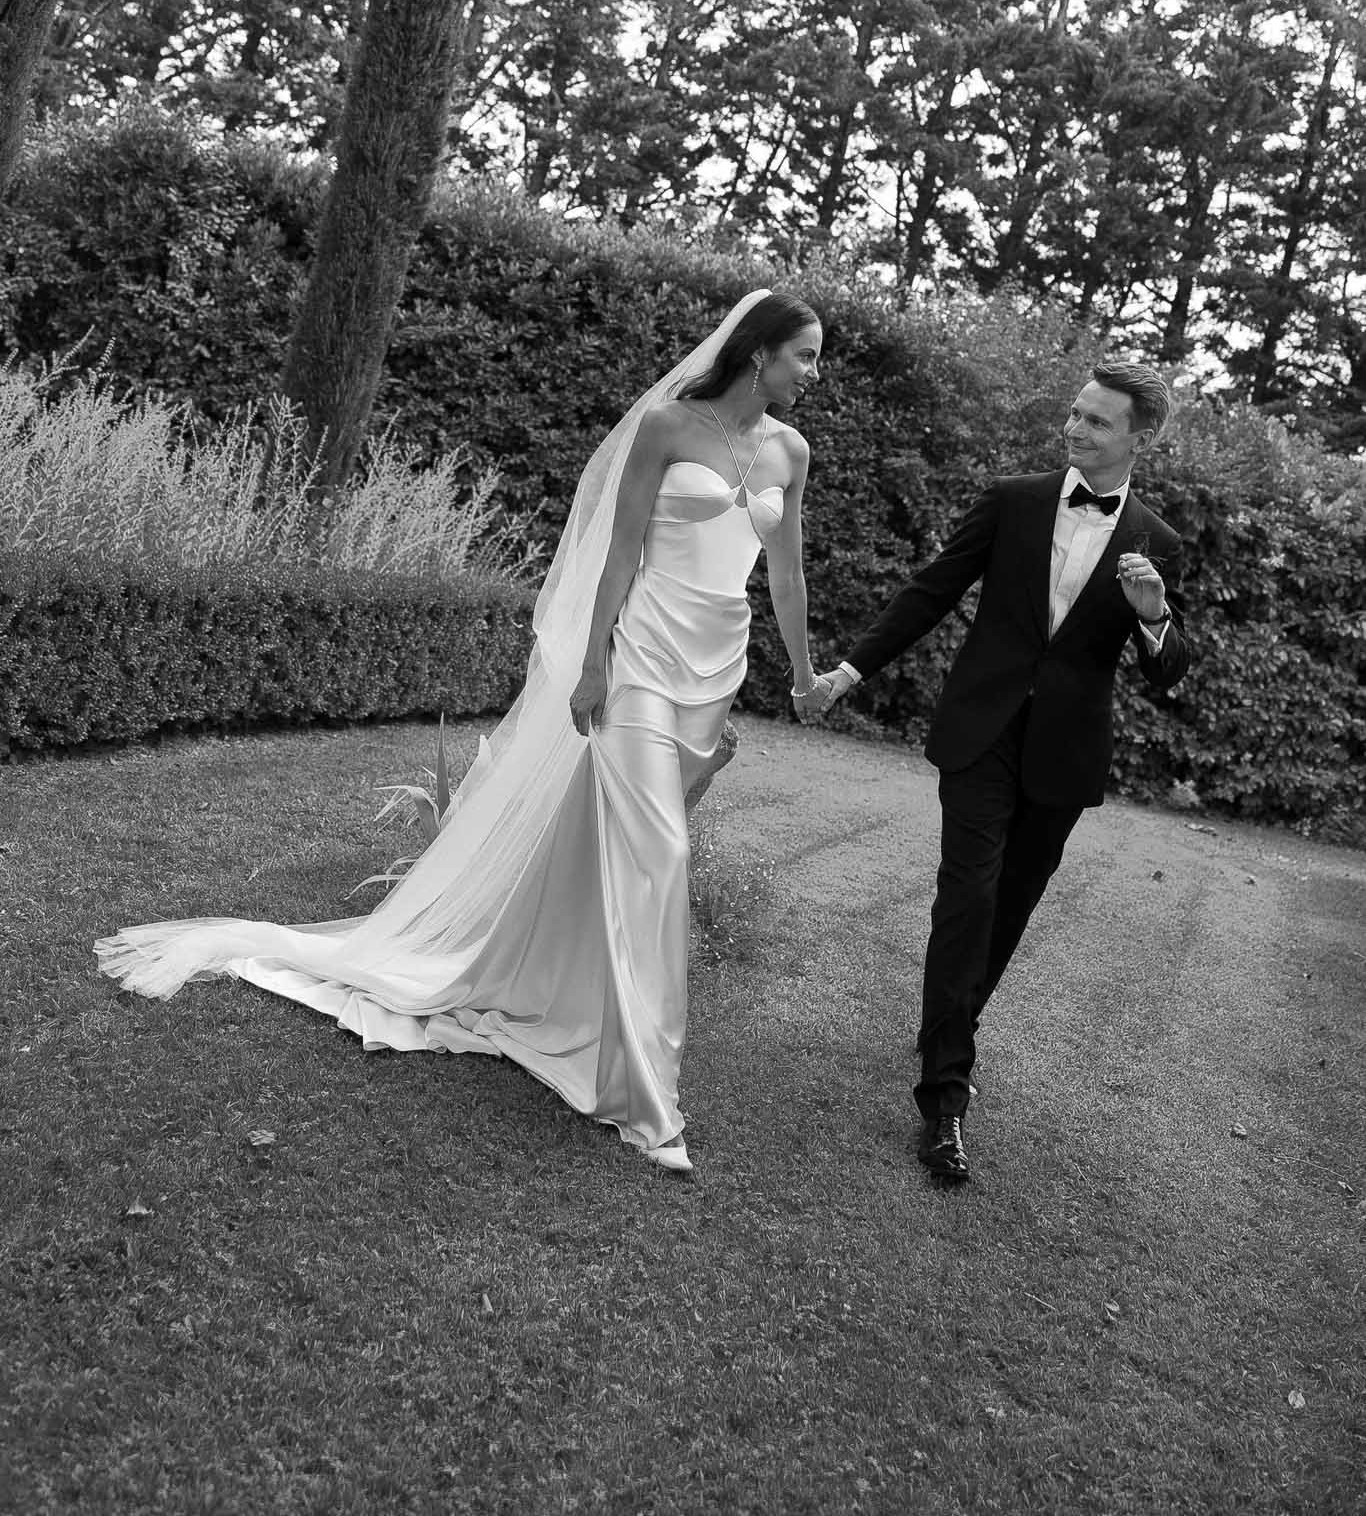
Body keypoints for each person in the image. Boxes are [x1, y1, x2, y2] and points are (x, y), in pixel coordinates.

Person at [97, 290, 823, 1178]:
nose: (812, 375)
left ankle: (552, 991)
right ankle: (650, 1099)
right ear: (759, 356)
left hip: (718, 670)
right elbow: (618, 552)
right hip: (640, 659)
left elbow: (783, 580)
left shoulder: (789, 450)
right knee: (663, 853)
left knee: (621, 851)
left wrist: (804, 675)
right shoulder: (671, 426)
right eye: (804, 357)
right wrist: (593, 663)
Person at [796, 362, 1190, 1186]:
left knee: (1008, 909)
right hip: (981, 732)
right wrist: (845, 673)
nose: (1076, 430)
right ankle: (945, 1098)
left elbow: (1167, 673)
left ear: (1139, 438)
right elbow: (930, 591)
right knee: (967, 892)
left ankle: (951, 1029)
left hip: (1066, 754)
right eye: (1075, 413)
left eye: (1097, 422)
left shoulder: (1159, 541)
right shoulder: (1011, 498)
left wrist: (1154, 616)